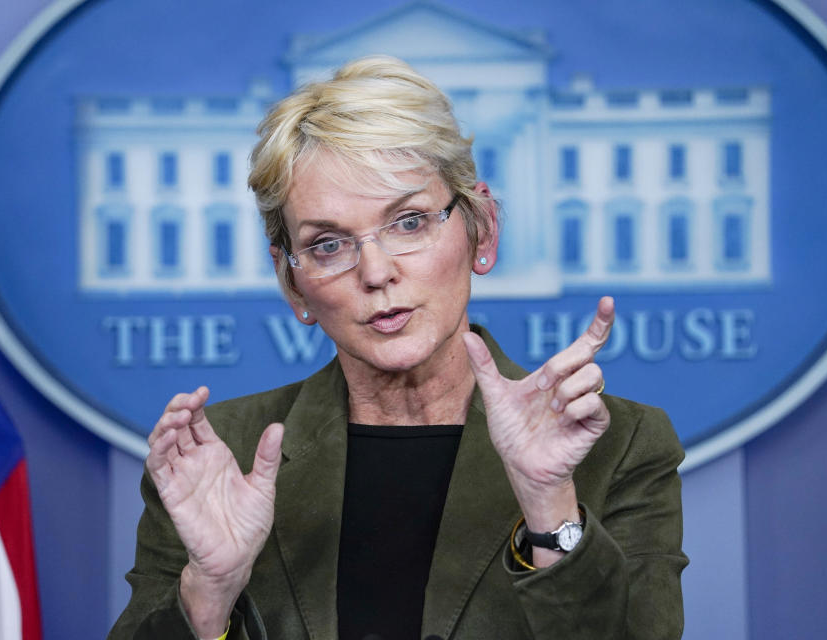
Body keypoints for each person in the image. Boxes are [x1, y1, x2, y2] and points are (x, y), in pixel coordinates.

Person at [109, 56, 687, 640]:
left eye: (409, 222)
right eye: (330, 244)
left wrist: (550, 509)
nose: (377, 271)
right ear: (292, 283)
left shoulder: (620, 446)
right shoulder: (219, 453)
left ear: (480, 230)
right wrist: (209, 590)